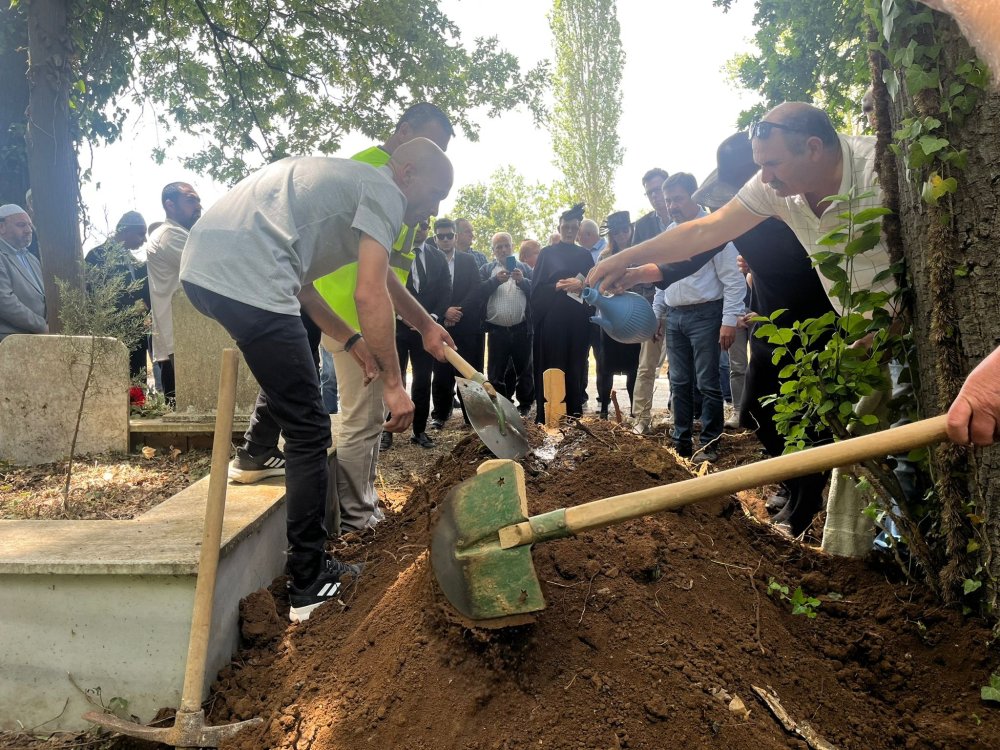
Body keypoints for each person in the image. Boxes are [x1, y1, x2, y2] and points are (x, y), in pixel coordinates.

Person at [179, 138, 455, 622]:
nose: (433, 211)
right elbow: (369, 294)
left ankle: (254, 453)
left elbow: (328, 284)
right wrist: (394, 382)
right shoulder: (385, 191)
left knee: (293, 379)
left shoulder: (346, 189)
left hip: (206, 266)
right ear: (408, 173)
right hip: (249, 274)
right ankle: (308, 582)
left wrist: (372, 336)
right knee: (308, 427)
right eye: (435, 195)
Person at [304, 102, 454, 534]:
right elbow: (370, 282)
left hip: (364, 312)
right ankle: (356, 519)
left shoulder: (389, 181)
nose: (433, 155)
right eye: (428, 144)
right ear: (404, 136)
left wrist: (423, 323)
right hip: (351, 313)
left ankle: (360, 505)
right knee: (360, 419)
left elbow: (387, 271)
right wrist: (380, 354)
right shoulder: (375, 174)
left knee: (366, 418)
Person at [690, 131, 836, 536]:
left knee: (811, 422)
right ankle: (791, 481)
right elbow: (696, 248)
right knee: (754, 408)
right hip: (769, 324)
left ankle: (804, 506)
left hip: (814, 327)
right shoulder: (743, 218)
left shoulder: (799, 210)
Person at [652, 173, 745, 463]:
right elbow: (661, 277)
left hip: (706, 314)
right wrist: (658, 312)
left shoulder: (712, 230)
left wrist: (729, 319)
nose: (672, 206)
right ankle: (680, 443)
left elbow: (733, 279)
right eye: (668, 201)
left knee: (707, 382)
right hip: (675, 316)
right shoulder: (669, 231)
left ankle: (710, 443)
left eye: (678, 199)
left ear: (694, 196)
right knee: (678, 382)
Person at [388, 219, 451, 449]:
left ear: (428, 229)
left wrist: (430, 321)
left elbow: (446, 290)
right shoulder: (392, 252)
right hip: (396, 327)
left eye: (424, 225)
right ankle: (388, 431)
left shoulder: (437, 257)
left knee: (423, 380)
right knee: (395, 378)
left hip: (425, 333)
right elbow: (384, 285)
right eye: (415, 224)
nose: (419, 229)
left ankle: (420, 430)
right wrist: (403, 317)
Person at [530, 203, 594, 422]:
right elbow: (536, 290)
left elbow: (593, 289)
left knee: (575, 366)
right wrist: (557, 286)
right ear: (559, 227)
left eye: (573, 228)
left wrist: (581, 285)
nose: (569, 231)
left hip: (577, 323)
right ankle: (549, 415)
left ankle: (573, 414)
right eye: (565, 226)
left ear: (578, 230)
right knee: (552, 365)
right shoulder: (547, 254)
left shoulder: (585, 256)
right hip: (552, 323)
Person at [147, 182, 202, 402]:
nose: (198, 205)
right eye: (191, 200)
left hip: (185, 339)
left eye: (198, 200)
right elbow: (208, 270)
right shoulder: (170, 236)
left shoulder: (179, 234)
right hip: (181, 341)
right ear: (170, 205)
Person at [430, 217, 486, 428]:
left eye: (449, 235)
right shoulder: (431, 262)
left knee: (468, 373)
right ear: (435, 238)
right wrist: (444, 313)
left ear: (455, 236)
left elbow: (476, 289)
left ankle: (471, 416)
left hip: (466, 325)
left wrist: (457, 311)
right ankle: (440, 415)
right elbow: (427, 292)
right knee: (441, 372)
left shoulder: (468, 260)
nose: (445, 240)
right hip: (439, 324)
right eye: (441, 236)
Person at [630, 168, 672, 435]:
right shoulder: (643, 226)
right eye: (650, 193)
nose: (655, 197)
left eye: (658, 190)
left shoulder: (689, 217)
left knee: (680, 368)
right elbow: (635, 267)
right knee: (647, 365)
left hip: (685, 303)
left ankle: (679, 417)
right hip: (652, 306)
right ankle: (641, 418)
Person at [85, 211, 151, 379]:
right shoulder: (96, 256)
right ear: (126, 231)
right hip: (111, 334)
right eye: (141, 234)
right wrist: (127, 309)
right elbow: (92, 295)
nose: (144, 240)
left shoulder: (134, 261)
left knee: (137, 385)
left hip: (136, 334)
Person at [480, 232, 534, 416]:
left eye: (506, 246)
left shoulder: (524, 269)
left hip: (521, 328)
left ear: (513, 247)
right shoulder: (487, 270)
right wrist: (495, 281)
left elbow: (536, 291)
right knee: (495, 373)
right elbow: (478, 292)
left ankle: (525, 406)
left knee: (525, 370)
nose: (503, 250)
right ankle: (501, 407)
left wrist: (522, 281)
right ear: (493, 250)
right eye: (498, 247)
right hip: (497, 330)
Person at [594, 211, 640, 420]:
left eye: (625, 230)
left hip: (635, 317)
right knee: (606, 366)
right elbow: (596, 285)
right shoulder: (604, 257)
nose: (622, 235)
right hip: (610, 317)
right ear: (611, 234)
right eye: (617, 232)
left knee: (634, 367)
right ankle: (604, 409)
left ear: (630, 230)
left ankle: (634, 409)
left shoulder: (640, 253)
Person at [0, 203, 46, 341]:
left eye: (29, 225)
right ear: (1, 227)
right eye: (21, 225)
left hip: (39, 338)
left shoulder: (31, 258)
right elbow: (4, 301)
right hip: (11, 341)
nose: (28, 230)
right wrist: (42, 326)